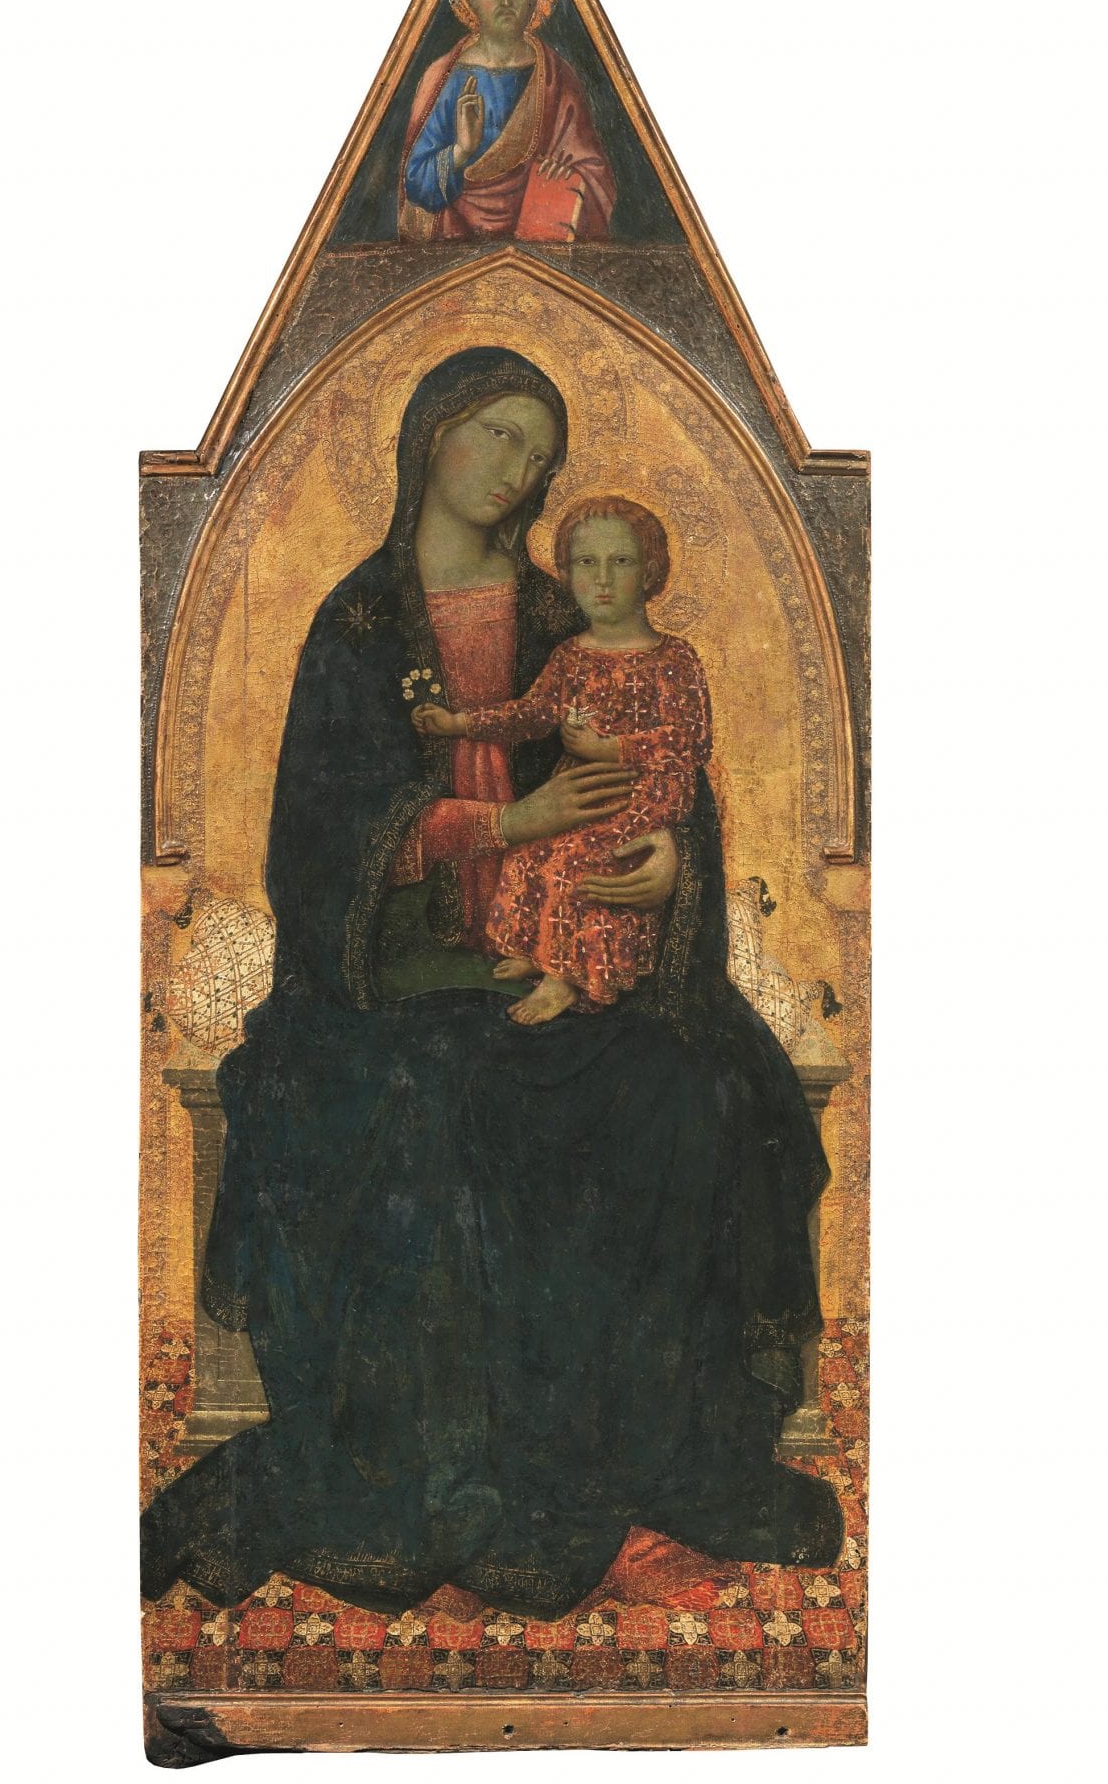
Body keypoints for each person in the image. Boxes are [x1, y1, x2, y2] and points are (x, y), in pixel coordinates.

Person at [139, 347, 840, 1618]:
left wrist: (672, 861)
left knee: (696, 1095)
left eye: (540, 452)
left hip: (573, 948)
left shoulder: (567, 614)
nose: (517, 468)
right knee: (442, 1098)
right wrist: (501, 827)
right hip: (390, 979)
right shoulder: (359, 624)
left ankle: (628, 1470)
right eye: (499, 432)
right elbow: (314, 842)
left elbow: (669, 780)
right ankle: (456, 1493)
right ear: (431, 431)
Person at [413, 496, 711, 1025]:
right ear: (568, 575)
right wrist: (460, 723)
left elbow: (691, 741)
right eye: (585, 563)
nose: (602, 579)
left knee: (576, 858)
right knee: (533, 850)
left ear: (650, 571)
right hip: (582, 787)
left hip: (644, 795)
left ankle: (566, 978)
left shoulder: (674, 657)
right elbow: (530, 714)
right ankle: (540, 949)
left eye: (621, 561)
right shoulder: (570, 656)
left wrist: (612, 749)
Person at [398, 0, 615, 242]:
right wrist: (461, 152)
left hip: (538, 237)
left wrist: (569, 176)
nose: (505, 0)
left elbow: (594, 173)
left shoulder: (555, 76)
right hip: (457, 240)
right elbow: (416, 183)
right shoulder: (444, 76)